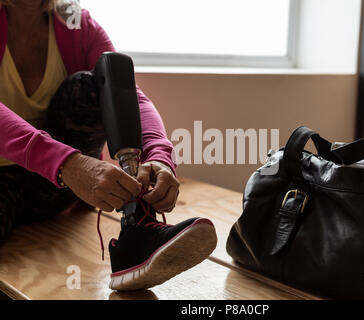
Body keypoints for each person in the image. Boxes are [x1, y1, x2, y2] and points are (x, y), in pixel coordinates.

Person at [0, 0, 217, 291]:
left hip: (57, 187)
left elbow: (128, 94)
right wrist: (67, 164)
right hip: (26, 179)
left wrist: (159, 156)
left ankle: (137, 232)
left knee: (95, 84)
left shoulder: (75, 23)